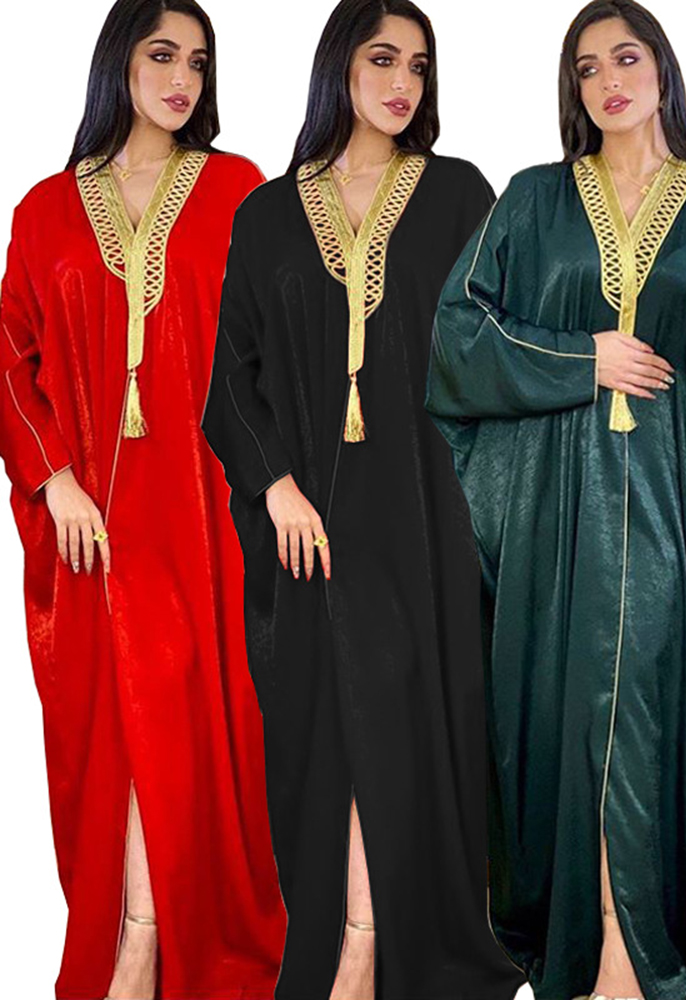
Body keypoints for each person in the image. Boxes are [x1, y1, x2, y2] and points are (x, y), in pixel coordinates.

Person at [426, 2, 686, 998]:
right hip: (554, 511)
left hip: (674, 510)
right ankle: (599, 950)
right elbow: (458, 336)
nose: (608, 80)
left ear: (662, 70)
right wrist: (584, 359)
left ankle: (639, 944)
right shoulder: (533, 200)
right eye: (587, 68)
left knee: (644, 721)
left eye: (626, 58)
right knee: (566, 718)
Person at [201, 2, 524, 998]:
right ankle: (348, 934)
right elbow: (230, 381)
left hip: (428, 517)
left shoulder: (460, 194)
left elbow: (497, 346)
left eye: (419, 67)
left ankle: (368, 944)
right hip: (309, 524)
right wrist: (276, 487)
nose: (402, 84)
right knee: (324, 728)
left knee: (407, 724)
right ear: (339, 64)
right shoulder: (266, 214)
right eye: (383, 59)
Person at [0, 1, 285, 997]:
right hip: (92, 518)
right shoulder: (44, 208)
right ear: (118, 60)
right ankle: (135, 932)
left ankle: (151, 939)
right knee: (113, 725)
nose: (181, 79)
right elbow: (10, 356)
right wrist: (53, 477)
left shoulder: (239, 189)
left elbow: (276, 345)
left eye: (198, 62)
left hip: (208, 511)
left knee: (196, 723)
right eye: (163, 55)